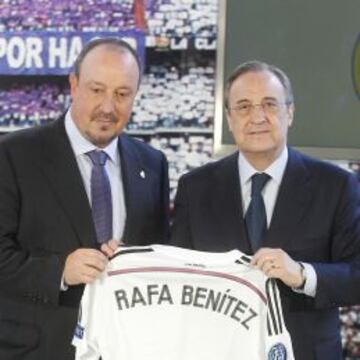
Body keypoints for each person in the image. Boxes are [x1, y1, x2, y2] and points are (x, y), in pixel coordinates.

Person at [171, 60, 360, 360]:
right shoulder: (195, 188)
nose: (257, 117)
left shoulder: (336, 186)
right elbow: (174, 271)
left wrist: (302, 274)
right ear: (229, 119)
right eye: (244, 107)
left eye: (269, 104)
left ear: (290, 112)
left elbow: (355, 274)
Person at [0, 37, 169, 360]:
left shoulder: (153, 164)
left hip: (126, 348)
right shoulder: (12, 155)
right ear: (74, 85)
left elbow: (161, 254)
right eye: (96, 89)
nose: (108, 106)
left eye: (122, 94)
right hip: (37, 350)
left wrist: (136, 259)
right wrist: (60, 271)